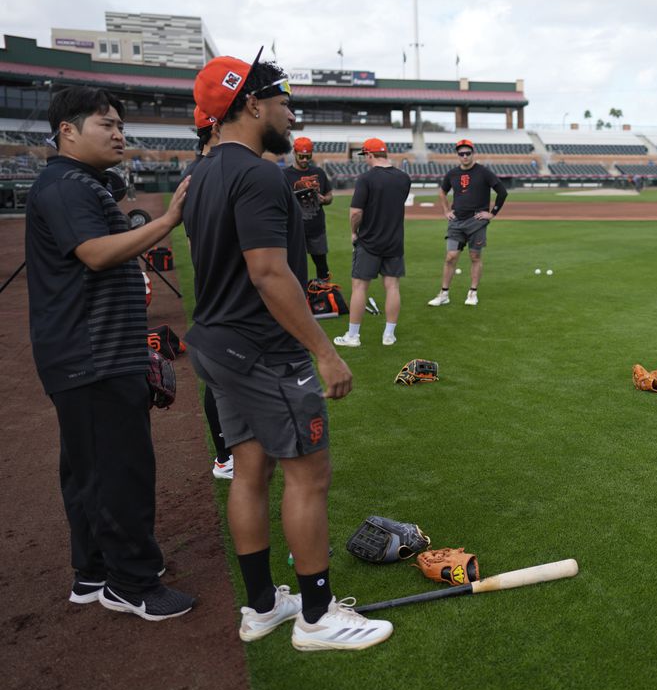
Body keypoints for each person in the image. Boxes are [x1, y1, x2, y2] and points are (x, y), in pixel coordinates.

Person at [185, 49, 391, 651]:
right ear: (252, 104)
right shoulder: (259, 174)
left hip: (218, 345)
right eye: (283, 101)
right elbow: (270, 274)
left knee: (249, 472)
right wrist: (325, 351)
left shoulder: (201, 174)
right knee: (308, 476)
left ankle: (262, 607)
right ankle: (318, 617)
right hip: (265, 352)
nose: (291, 112)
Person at [26, 86, 196, 619]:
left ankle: (95, 572)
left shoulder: (74, 182)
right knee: (120, 469)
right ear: (68, 132)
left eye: (121, 123)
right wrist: (166, 222)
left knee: (89, 469)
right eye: (106, 124)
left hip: (87, 350)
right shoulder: (69, 185)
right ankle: (133, 583)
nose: (120, 132)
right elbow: (95, 255)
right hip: (92, 353)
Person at [184, 106, 234, 480]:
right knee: (222, 376)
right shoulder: (213, 170)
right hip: (226, 288)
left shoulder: (193, 171)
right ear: (215, 127)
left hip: (211, 283)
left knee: (222, 374)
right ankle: (224, 456)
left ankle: (226, 454)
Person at [333, 137, 411, 347]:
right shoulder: (404, 178)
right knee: (392, 286)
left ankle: (353, 336)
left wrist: (354, 232)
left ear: (369, 154)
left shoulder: (366, 178)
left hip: (369, 240)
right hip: (394, 240)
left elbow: (356, 212)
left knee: (359, 287)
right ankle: (389, 335)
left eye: (365, 156)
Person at [428, 138, 507, 306]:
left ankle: (472, 292)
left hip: (476, 221)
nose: (464, 156)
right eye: (461, 154)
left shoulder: (484, 172)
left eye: (467, 153)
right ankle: (444, 294)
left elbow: (502, 192)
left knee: (475, 256)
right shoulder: (452, 174)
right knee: (450, 257)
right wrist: (446, 210)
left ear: (473, 154)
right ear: (458, 155)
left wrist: (492, 214)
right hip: (456, 221)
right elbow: (442, 192)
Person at [284, 137, 334, 281]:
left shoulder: (319, 172)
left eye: (308, 156)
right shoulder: (285, 175)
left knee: (322, 266)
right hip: (294, 229)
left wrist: (325, 199)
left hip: (316, 228)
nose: (305, 160)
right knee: (293, 266)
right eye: (302, 156)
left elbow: (329, 195)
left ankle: (324, 297)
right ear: (294, 152)